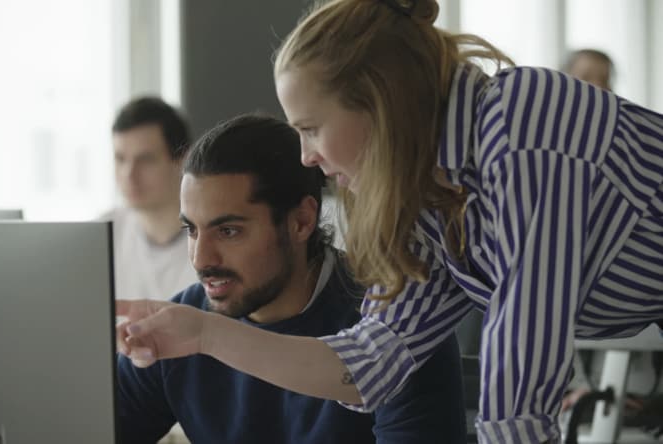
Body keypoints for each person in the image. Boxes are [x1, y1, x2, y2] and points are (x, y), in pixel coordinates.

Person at [117, 1, 663, 442]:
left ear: (378, 102)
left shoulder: (522, 129)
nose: (305, 157)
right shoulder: (432, 200)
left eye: (310, 128)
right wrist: (203, 333)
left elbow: (520, 389)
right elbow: (367, 364)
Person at [116, 114, 466, 444]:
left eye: (228, 231)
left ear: (301, 221)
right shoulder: (180, 327)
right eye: (191, 230)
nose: (200, 258)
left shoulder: (400, 323)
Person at [103, 97, 197, 300]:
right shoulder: (105, 232)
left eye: (145, 160)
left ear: (182, 159)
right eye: (120, 159)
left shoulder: (212, 243)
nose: (129, 174)